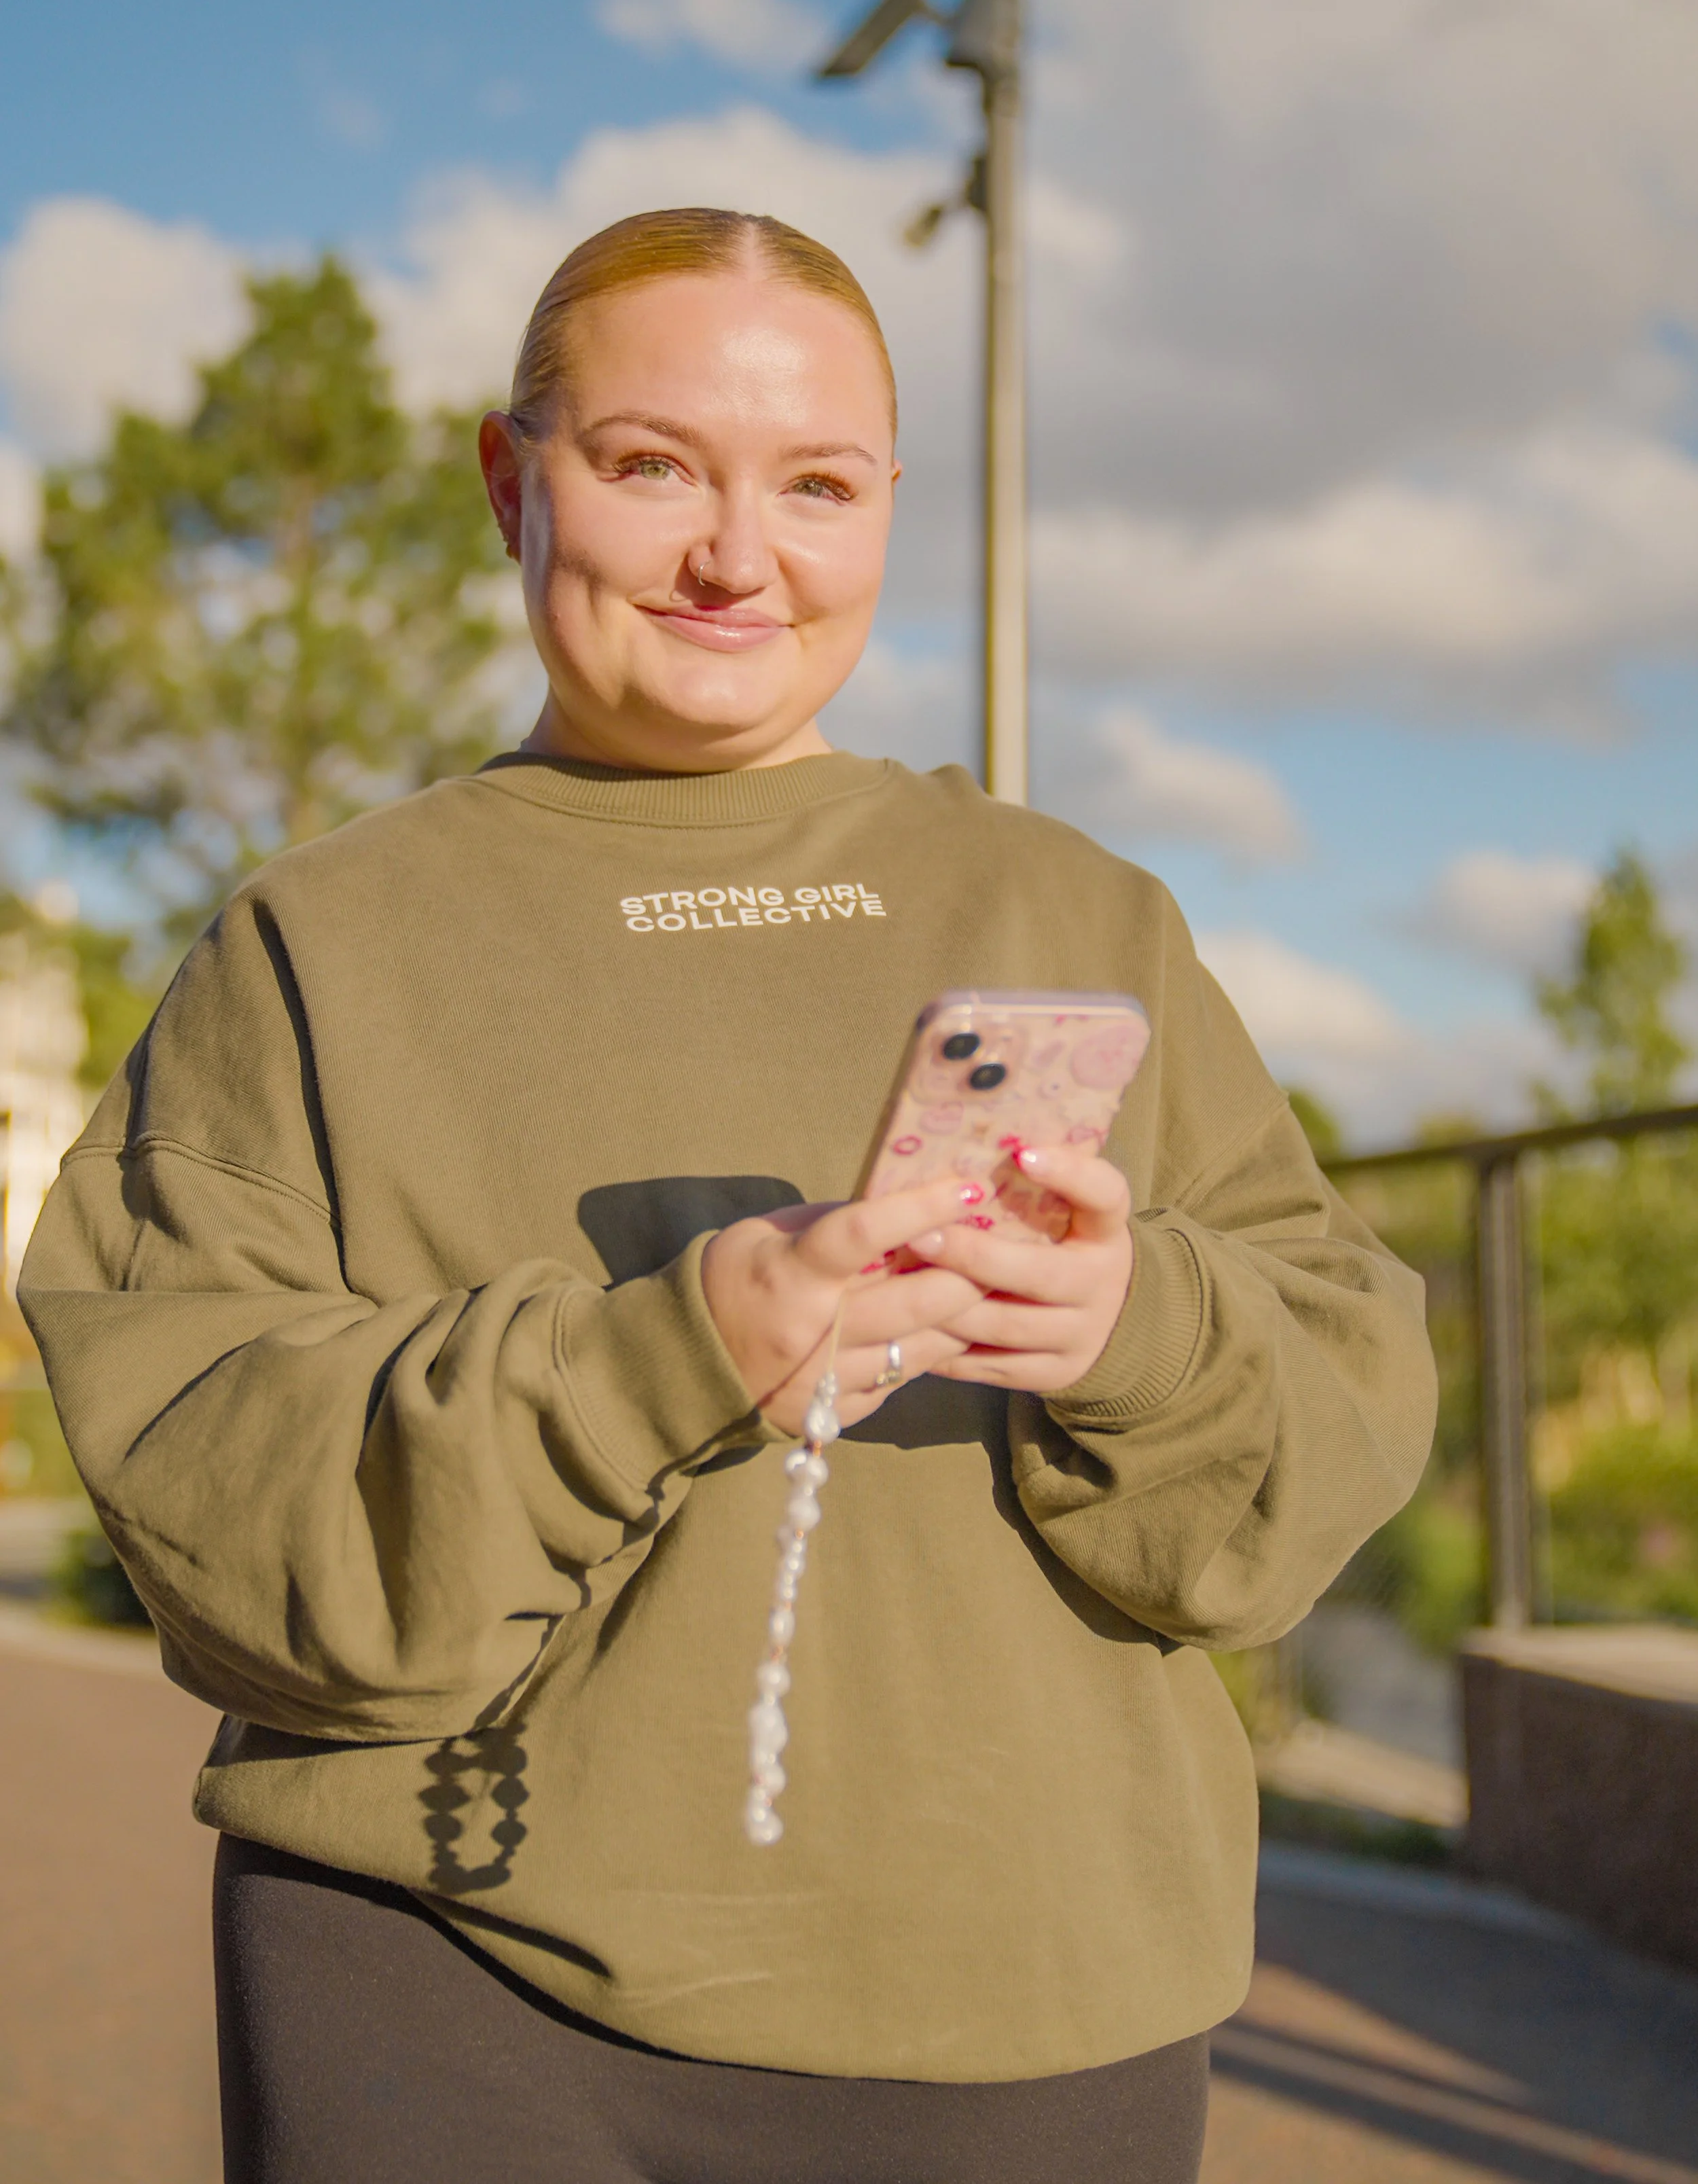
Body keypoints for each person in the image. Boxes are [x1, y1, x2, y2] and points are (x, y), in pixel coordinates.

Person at [21, 208, 1435, 2184]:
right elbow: (213, 1496)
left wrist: (1137, 1329)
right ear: (513, 480)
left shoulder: (1079, 909)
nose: (736, 555)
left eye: (818, 485)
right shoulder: (309, 946)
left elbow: (1331, 1407)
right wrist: (664, 1351)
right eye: (650, 464)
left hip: (1035, 2003)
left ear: (887, 509)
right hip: (442, 1987)